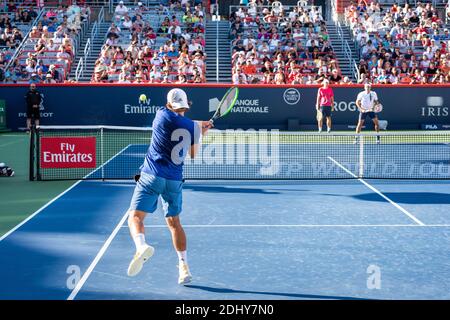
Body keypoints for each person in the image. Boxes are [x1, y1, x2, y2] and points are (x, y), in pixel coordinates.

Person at [126, 88, 213, 285]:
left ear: (169, 105)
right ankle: (183, 266)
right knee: (175, 223)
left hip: (152, 176)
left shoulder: (161, 115)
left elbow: (179, 119)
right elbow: (193, 154)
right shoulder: (192, 128)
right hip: (174, 181)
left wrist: (200, 127)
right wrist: (200, 131)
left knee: (136, 217)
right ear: (186, 106)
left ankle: (141, 246)